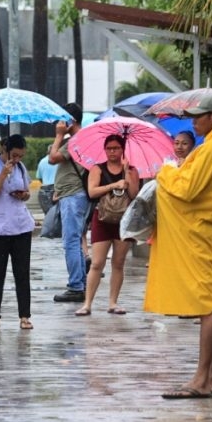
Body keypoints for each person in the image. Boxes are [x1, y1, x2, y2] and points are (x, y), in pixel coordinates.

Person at [145, 96, 212, 399]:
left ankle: (199, 380)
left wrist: (167, 171)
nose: (193, 121)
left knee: (209, 306)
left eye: (199, 116)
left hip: (199, 232)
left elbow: (187, 188)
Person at [74, 134, 140, 316]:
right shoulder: (97, 169)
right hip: (102, 218)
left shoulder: (132, 170)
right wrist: (113, 185)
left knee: (118, 263)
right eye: (109, 148)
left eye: (116, 148)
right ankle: (87, 303)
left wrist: (127, 173)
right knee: (97, 263)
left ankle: (113, 302)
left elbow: (135, 195)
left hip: (124, 221)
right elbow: (92, 192)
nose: (112, 152)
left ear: (122, 150)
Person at [0, 134, 36, 330]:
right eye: (14, 155)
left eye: (21, 156)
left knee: (22, 272)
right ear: (4, 150)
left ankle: (24, 316)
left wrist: (23, 195)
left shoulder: (20, 168)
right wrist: (3, 175)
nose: (17, 159)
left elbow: (27, 192)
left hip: (21, 226)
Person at [48, 102, 89, 303]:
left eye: (61, 119)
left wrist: (58, 135)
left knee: (71, 241)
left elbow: (53, 158)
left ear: (70, 121)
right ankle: (80, 283)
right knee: (75, 239)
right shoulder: (76, 139)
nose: (58, 123)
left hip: (73, 195)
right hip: (73, 194)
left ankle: (76, 286)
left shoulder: (76, 139)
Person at [35, 148, 58, 214]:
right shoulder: (58, 161)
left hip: (44, 190)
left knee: (49, 215)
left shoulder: (42, 161)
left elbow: (39, 177)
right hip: (56, 189)